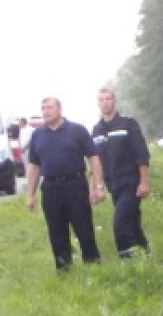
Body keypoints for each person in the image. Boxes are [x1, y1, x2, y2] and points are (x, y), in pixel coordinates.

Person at [23, 97, 106, 268]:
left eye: (49, 107)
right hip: (51, 188)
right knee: (57, 233)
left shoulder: (77, 130)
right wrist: (30, 195)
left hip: (75, 185)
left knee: (84, 230)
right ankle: (64, 271)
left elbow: (94, 158)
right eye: (43, 108)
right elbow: (34, 166)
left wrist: (98, 186)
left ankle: (94, 267)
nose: (45, 111)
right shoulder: (37, 135)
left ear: (59, 109)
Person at [91, 88, 151, 257]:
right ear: (98, 103)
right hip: (113, 185)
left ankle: (127, 260)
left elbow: (142, 155)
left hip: (132, 183)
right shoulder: (96, 131)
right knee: (132, 222)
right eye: (101, 99)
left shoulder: (128, 124)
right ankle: (145, 254)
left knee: (120, 223)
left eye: (108, 99)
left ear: (115, 101)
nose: (105, 102)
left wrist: (144, 181)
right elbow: (95, 162)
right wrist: (96, 187)